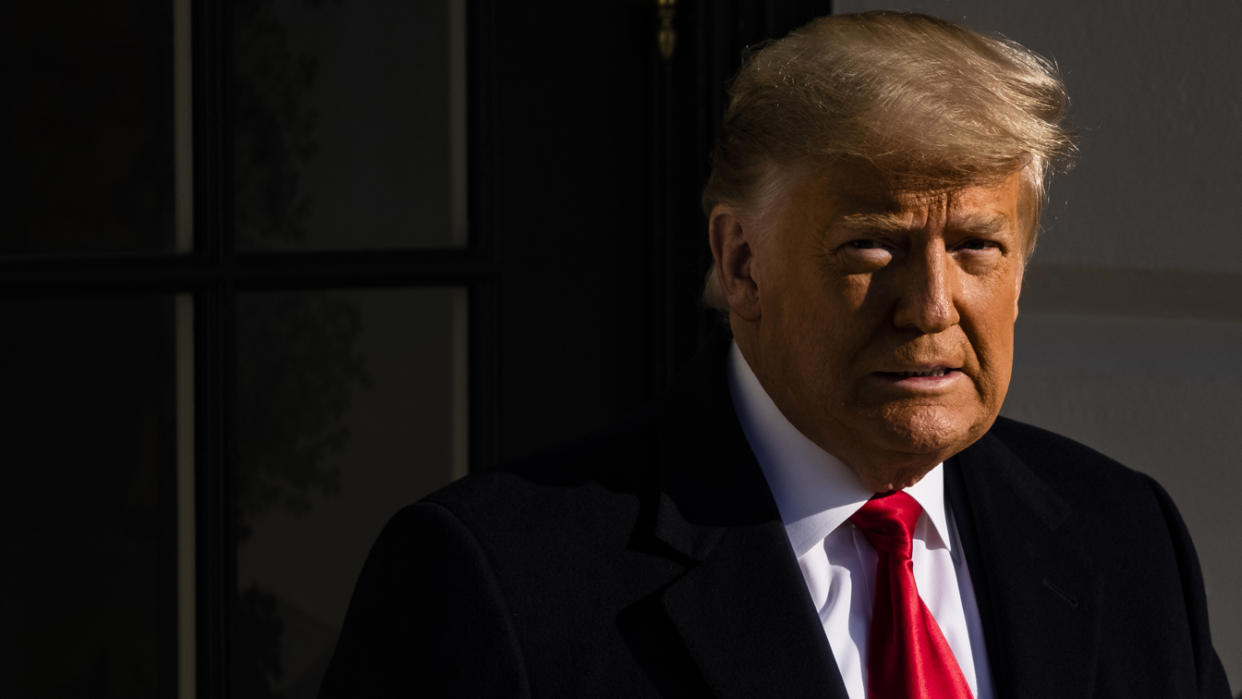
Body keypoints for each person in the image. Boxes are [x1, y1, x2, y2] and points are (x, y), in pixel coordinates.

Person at [319, 11, 1231, 698]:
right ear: (742, 261)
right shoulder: (497, 582)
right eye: (872, 246)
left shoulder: (1125, 536)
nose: (930, 306)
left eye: (977, 247)